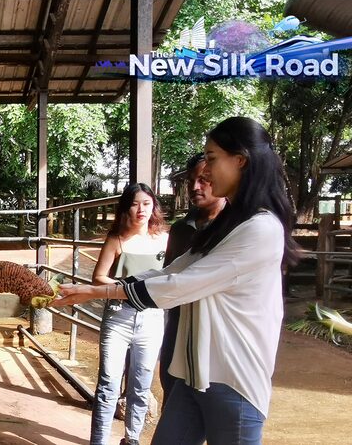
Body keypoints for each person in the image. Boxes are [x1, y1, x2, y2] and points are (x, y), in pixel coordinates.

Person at [52, 117, 298, 445]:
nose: (205, 173)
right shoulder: (224, 225)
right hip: (191, 377)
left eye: (211, 159)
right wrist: (94, 290)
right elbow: (172, 270)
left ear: (240, 160)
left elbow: (181, 285)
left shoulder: (261, 229)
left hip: (233, 381)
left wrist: (102, 291)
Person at [88, 183, 168, 445]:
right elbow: (98, 277)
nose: (141, 209)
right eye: (135, 203)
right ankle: (99, 441)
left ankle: (131, 439)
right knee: (108, 384)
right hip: (118, 316)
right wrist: (127, 288)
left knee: (141, 384)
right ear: (126, 208)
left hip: (152, 318)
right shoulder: (116, 239)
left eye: (146, 203)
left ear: (153, 206)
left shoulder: (164, 240)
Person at [159, 153, 226, 406]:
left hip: (215, 330)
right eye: (191, 181)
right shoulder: (180, 229)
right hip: (178, 326)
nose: (195, 187)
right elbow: (168, 276)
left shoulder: (235, 229)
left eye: (204, 179)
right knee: (173, 395)